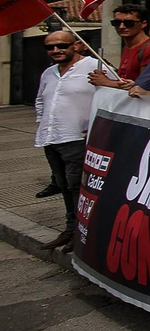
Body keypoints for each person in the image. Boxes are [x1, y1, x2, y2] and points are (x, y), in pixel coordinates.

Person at [35, 31, 110, 249]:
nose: (56, 50)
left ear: (75, 45)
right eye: (50, 47)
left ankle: (81, 231)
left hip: (78, 138)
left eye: (61, 45)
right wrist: (43, 123)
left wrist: (97, 126)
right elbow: (40, 101)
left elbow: (113, 96)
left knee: (79, 186)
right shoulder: (49, 73)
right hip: (51, 138)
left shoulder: (95, 66)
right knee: (63, 186)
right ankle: (70, 229)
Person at [88, 4, 150, 90]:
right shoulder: (126, 48)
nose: (121, 27)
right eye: (116, 23)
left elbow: (144, 85)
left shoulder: (149, 48)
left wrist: (106, 82)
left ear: (143, 24)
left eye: (129, 23)